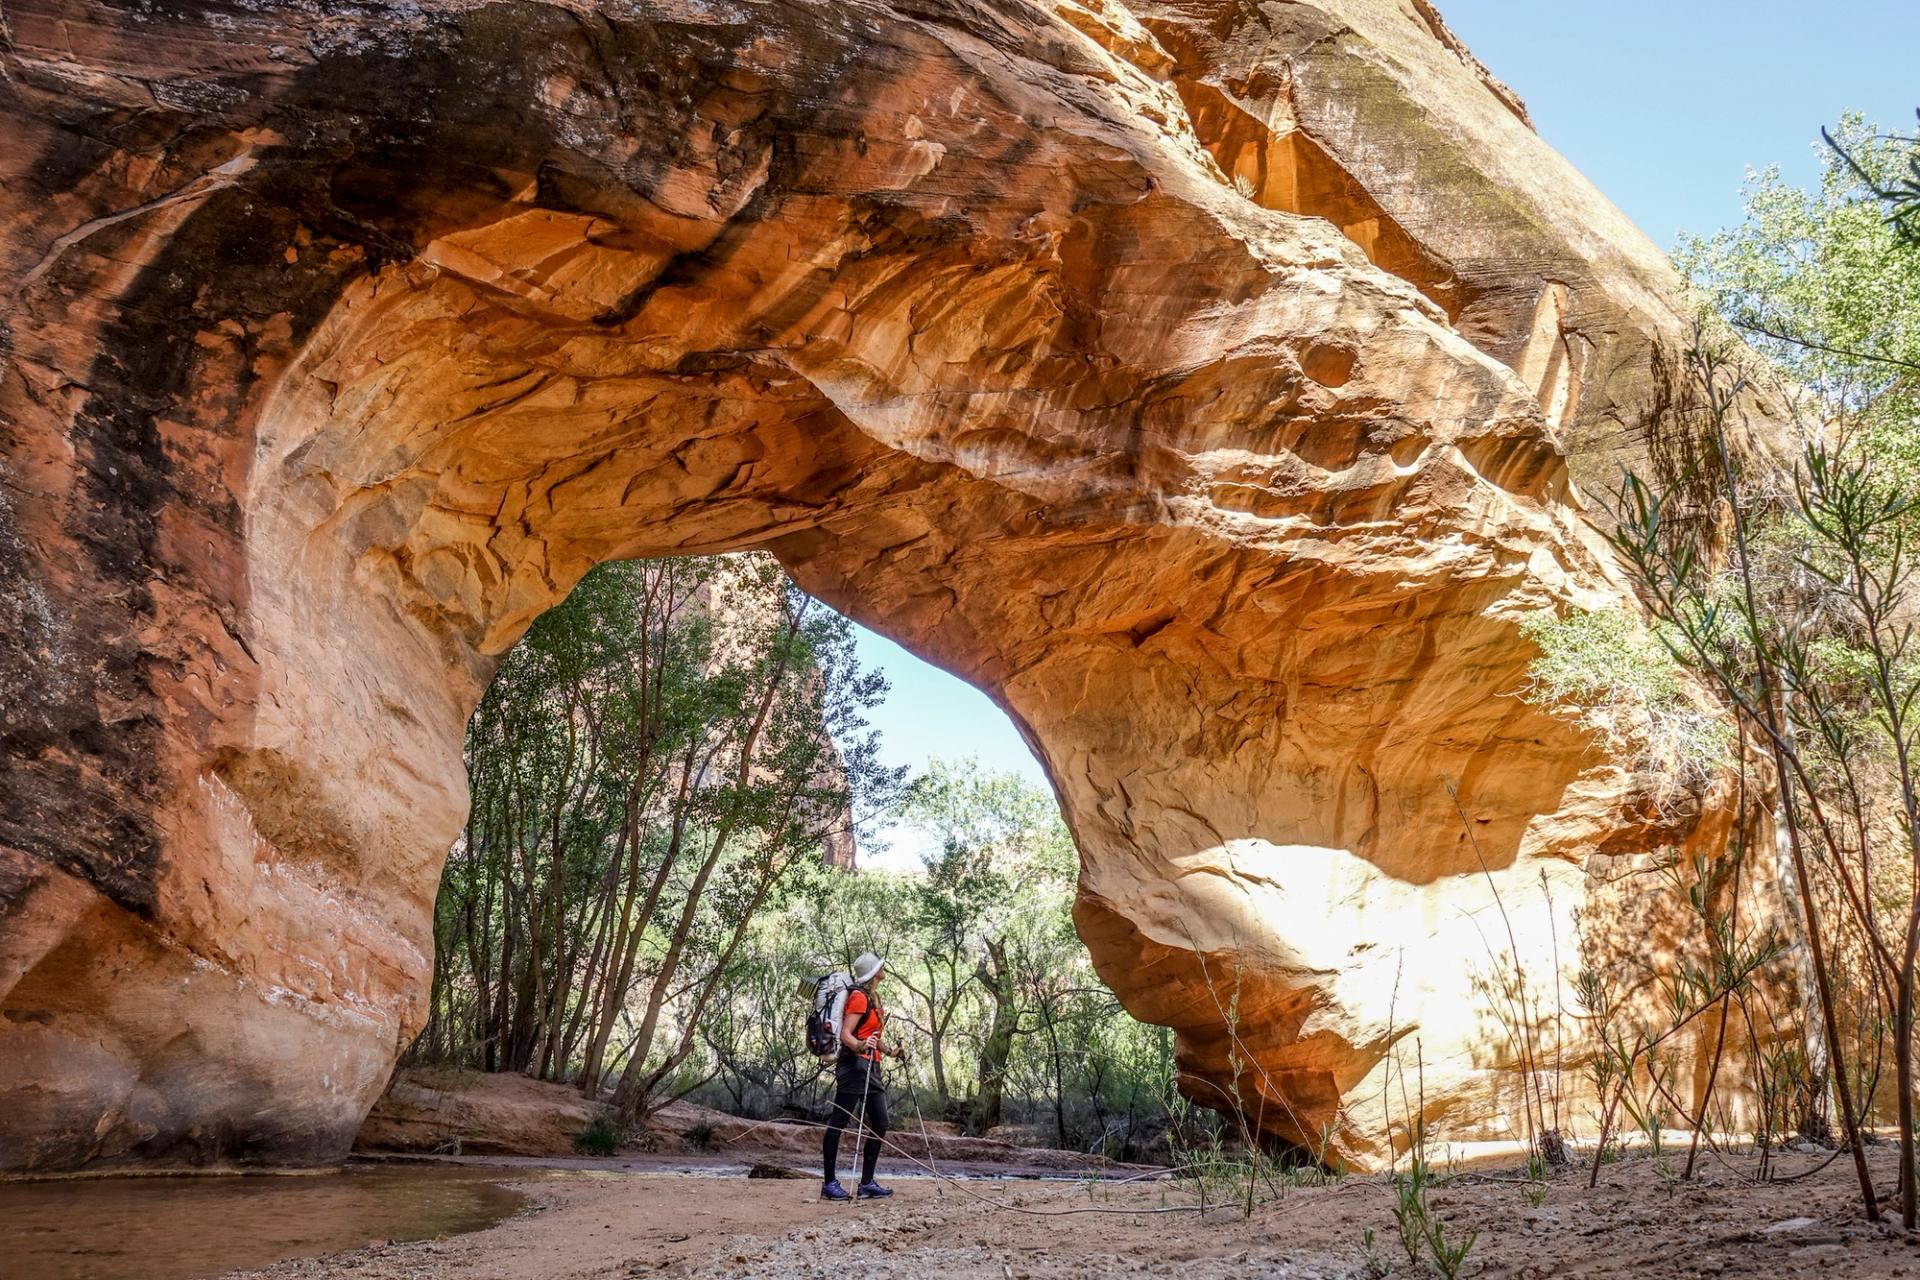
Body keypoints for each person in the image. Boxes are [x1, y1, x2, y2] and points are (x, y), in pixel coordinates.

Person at [820, 950, 904, 1201]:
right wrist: (859, 1046)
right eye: (880, 966)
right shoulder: (858, 997)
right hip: (854, 1066)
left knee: (881, 1122)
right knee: (839, 1122)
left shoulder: (874, 997)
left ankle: (867, 1183)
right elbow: (847, 1034)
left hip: (871, 1067)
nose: (883, 968)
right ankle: (829, 1184)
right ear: (873, 973)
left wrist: (891, 1051)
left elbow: (873, 1036)